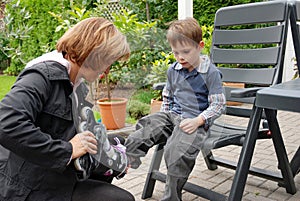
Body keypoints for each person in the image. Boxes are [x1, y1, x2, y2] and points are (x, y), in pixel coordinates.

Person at [0, 17, 135, 201]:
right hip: (29, 185)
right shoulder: (41, 77)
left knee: (117, 141)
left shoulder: (76, 83)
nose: (107, 71)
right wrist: (68, 150)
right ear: (86, 53)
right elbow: (6, 123)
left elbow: (80, 133)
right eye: (106, 62)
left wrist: (115, 156)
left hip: (57, 175)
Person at [125, 17, 226, 201]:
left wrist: (199, 121)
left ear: (200, 46)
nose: (180, 57)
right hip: (172, 116)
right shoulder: (174, 70)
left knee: (176, 151)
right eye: (175, 52)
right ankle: (126, 158)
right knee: (148, 125)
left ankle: (171, 197)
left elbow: (218, 104)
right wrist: (164, 116)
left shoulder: (210, 73)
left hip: (194, 121)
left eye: (186, 52)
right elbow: (168, 95)